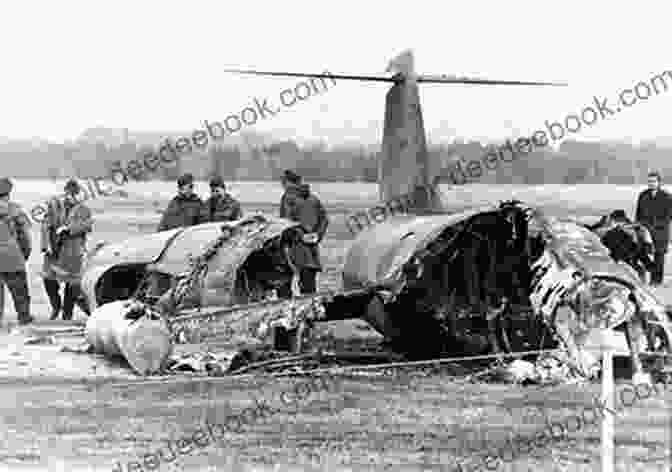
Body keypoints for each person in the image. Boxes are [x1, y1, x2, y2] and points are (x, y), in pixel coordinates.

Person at [41, 179, 93, 320]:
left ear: (77, 194)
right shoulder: (53, 205)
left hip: (73, 250)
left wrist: (69, 229)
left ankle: (67, 313)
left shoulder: (83, 209)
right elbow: (45, 226)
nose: (70, 196)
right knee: (48, 280)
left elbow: (87, 226)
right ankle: (56, 306)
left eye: (73, 193)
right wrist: (45, 246)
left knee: (73, 284)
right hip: (54, 250)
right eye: (68, 192)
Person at [277, 170, 329, 297]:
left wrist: (295, 236)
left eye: (283, 183)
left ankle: (287, 312)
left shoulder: (288, 198)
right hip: (311, 250)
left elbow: (286, 223)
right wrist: (317, 235)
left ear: (287, 183)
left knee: (283, 286)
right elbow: (325, 219)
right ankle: (311, 312)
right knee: (309, 288)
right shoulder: (313, 198)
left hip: (293, 248)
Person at [0, 178, 33, 325]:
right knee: (20, 292)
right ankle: (24, 317)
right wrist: (24, 254)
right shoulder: (15, 211)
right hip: (13, 257)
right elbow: (25, 237)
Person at [635, 171, 672, 286]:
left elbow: (669, 216)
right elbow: (638, 214)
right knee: (642, 254)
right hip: (645, 231)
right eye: (649, 181)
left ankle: (656, 281)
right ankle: (647, 277)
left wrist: (656, 225)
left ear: (659, 182)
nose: (651, 184)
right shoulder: (643, 195)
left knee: (659, 256)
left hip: (660, 231)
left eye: (654, 181)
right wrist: (639, 227)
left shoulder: (667, 197)